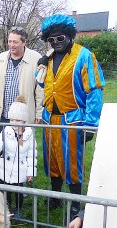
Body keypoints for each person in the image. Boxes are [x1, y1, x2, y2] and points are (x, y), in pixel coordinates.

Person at [38, 14, 105, 215]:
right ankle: (56, 196)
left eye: (60, 38)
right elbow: (44, 83)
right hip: (50, 118)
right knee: (53, 161)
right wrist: (41, 64)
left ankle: (76, 203)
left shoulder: (84, 56)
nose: (56, 43)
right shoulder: (49, 59)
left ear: (69, 36)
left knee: (72, 162)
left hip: (74, 119)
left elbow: (94, 90)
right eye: (51, 39)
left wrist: (90, 124)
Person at [0, 96, 37, 216]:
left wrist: (30, 171)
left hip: (20, 168)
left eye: (18, 120)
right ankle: (8, 207)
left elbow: (32, 154)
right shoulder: (7, 130)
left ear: (24, 121)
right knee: (7, 190)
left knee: (19, 190)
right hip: (7, 166)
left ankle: (19, 209)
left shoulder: (29, 135)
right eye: (12, 120)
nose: (14, 123)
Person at [0, 27, 43, 124]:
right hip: (2, 116)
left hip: (23, 117)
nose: (11, 45)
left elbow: (40, 90)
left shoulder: (36, 59)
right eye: (9, 42)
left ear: (24, 42)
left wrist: (39, 113)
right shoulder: (0, 59)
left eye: (15, 42)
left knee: (23, 139)